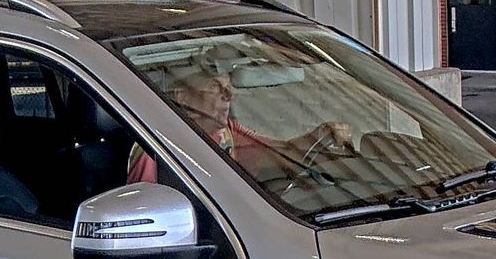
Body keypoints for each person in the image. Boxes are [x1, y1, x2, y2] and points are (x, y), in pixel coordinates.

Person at [128, 50, 353, 185]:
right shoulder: (153, 150)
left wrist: (320, 134)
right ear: (183, 97)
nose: (229, 96)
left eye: (229, 87)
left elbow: (281, 154)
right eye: (215, 87)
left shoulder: (228, 134)